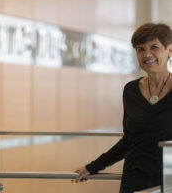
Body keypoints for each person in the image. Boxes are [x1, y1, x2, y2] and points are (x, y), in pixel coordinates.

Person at [73, 23, 172, 193]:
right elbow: (129, 140)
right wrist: (94, 166)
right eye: (140, 49)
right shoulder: (131, 90)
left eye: (154, 47)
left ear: (169, 50)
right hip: (134, 179)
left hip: (167, 179)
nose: (147, 54)